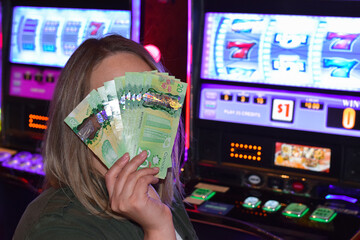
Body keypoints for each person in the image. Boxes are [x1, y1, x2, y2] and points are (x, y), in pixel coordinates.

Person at [13, 34, 198, 240]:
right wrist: (158, 229)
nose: (136, 123)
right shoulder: (57, 227)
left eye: (149, 99)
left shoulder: (157, 191)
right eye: (117, 107)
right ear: (79, 124)